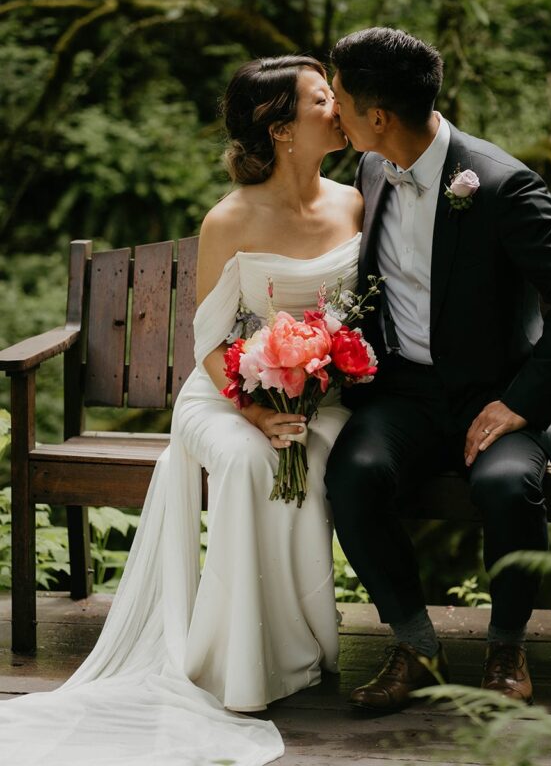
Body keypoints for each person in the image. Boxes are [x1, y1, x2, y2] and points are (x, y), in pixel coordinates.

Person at [0, 55, 363, 765]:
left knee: (314, 454)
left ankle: (304, 647)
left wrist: (314, 377)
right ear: (282, 128)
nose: (340, 108)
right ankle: (238, 666)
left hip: (319, 394)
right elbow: (208, 340)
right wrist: (255, 408)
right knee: (248, 457)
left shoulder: (354, 202)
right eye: (325, 99)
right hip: (225, 394)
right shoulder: (228, 218)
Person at [325, 26, 551, 711]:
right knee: (351, 474)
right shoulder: (369, 167)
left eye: (337, 98)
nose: (331, 110)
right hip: (407, 393)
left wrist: (521, 403)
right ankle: (417, 648)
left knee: (509, 487)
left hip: (499, 391)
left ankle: (505, 651)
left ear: (378, 117)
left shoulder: (500, 185)